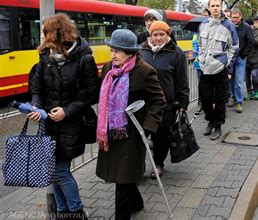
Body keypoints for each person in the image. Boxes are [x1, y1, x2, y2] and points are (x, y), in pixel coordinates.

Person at [28, 13, 100, 219]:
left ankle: (76, 211)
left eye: (46, 33)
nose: (42, 37)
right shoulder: (45, 56)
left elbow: (91, 93)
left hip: (72, 123)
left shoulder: (84, 58)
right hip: (49, 123)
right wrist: (36, 106)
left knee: (60, 170)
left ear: (58, 34)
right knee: (52, 170)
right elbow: (37, 87)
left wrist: (66, 111)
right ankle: (63, 212)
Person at [95, 29, 167, 220]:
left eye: (117, 51)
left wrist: (148, 128)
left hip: (132, 134)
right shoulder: (109, 68)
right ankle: (137, 203)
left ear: (130, 53)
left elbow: (159, 101)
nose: (113, 55)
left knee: (122, 178)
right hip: (112, 131)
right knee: (123, 176)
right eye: (112, 50)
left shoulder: (145, 71)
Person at [141, 21, 190, 177]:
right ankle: (138, 166)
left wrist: (183, 102)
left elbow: (182, 79)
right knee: (140, 136)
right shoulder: (142, 50)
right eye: (155, 34)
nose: (158, 38)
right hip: (143, 103)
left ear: (168, 35)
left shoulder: (176, 52)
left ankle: (158, 163)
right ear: (150, 35)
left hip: (165, 104)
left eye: (162, 34)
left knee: (161, 137)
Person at [198, 0, 239, 140]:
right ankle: (210, 121)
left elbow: (234, 48)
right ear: (208, 8)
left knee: (221, 99)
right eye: (213, 5)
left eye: (218, 5)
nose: (215, 8)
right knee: (205, 98)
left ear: (221, 7)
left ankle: (218, 126)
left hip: (220, 68)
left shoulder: (229, 26)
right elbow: (200, 45)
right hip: (205, 68)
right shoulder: (203, 24)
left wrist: (227, 67)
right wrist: (201, 59)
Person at [229, 8, 255, 113]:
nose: (234, 19)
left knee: (239, 80)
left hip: (240, 57)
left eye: (236, 17)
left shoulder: (247, 27)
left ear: (240, 16)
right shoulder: (229, 26)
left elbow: (251, 42)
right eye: (233, 17)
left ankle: (239, 102)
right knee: (230, 79)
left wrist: (243, 54)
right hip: (230, 57)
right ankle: (233, 97)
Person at [244, 20, 258, 100]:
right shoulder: (244, 32)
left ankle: (256, 91)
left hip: (255, 59)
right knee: (247, 77)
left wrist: (250, 37)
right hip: (246, 58)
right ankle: (249, 92)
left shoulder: (257, 32)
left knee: (255, 76)